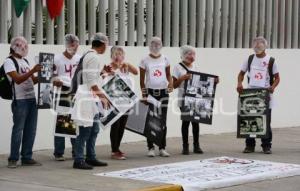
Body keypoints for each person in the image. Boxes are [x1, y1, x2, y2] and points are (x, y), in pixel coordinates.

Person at [73, 33, 110, 170]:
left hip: (89, 97)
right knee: (85, 130)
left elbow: (90, 76)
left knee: (94, 129)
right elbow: (91, 83)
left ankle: (91, 156)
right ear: (103, 44)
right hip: (87, 97)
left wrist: (102, 73)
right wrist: (103, 97)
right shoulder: (93, 57)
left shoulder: (88, 55)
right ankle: (79, 159)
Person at [237, 36, 280, 154]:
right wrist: (239, 83)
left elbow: (277, 78)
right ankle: (249, 145)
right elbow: (241, 74)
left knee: (265, 119)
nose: (257, 48)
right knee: (249, 118)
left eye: (259, 46)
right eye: (255, 46)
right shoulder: (249, 59)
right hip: (250, 93)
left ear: (265, 47)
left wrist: (273, 87)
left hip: (265, 94)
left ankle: (266, 145)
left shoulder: (271, 60)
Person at [173, 45, 219, 155]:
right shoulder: (177, 67)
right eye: (189, 54)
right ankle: (185, 146)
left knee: (196, 122)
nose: (191, 56)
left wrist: (214, 82)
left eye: (193, 54)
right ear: (183, 55)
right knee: (186, 121)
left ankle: (196, 145)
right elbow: (173, 85)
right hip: (183, 99)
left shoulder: (195, 66)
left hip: (196, 99)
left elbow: (201, 83)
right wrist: (182, 78)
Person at [3, 36, 42, 168]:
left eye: (26, 46)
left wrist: (44, 74)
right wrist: (33, 70)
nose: (25, 49)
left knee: (31, 130)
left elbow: (33, 80)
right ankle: (13, 159)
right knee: (18, 129)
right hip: (20, 101)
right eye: (22, 46)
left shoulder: (24, 61)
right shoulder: (9, 61)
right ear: (15, 47)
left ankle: (27, 157)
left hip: (31, 99)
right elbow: (18, 79)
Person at [139, 37, 173, 157]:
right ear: (149, 45)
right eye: (153, 44)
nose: (156, 46)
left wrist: (171, 84)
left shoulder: (165, 58)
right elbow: (142, 80)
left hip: (163, 93)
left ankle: (162, 147)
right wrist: (144, 95)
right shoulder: (144, 60)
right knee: (151, 120)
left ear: (161, 45)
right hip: (151, 93)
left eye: (158, 44)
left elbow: (169, 74)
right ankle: (150, 147)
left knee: (162, 120)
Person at [103, 46, 138, 160]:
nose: (119, 57)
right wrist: (108, 73)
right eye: (116, 54)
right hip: (114, 100)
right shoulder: (109, 67)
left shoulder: (125, 66)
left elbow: (136, 72)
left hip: (126, 101)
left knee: (122, 125)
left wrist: (127, 64)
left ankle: (117, 148)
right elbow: (101, 78)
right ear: (112, 56)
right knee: (115, 124)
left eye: (121, 54)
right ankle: (114, 150)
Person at [52, 34, 81, 161]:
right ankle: (59, 152)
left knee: (75, 121)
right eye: (72, 45)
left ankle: (76, 150)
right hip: (63, 91)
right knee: (62, 121)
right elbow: (50, 76)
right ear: (67, 45)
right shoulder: (57, 59)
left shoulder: (79, 59)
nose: (74, 48)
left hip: (76, 92)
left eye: (76, 46)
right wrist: (55, 81)